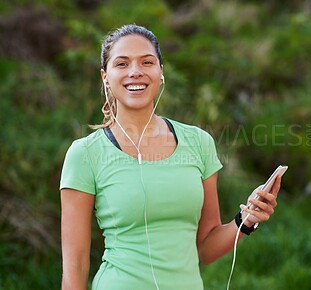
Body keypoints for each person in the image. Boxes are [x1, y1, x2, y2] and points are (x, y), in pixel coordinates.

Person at [60, 24, 282, 290]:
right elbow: (75, 266)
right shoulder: (85, 154)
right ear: (105, 77)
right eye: (122, 63)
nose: (135, 72)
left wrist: (247, 221)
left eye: (147, 62)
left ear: (161, 72)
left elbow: (207, 248)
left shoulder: (198, 143)